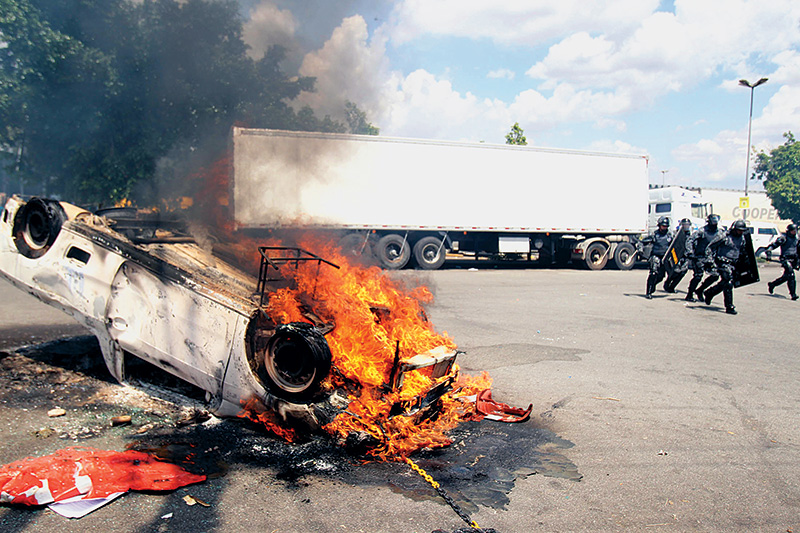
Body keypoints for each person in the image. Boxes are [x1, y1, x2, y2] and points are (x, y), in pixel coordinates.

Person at [702, 219, 748, 314]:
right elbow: (710, 247)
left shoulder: (742, 238)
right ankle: (729, 306)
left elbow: (743, 251)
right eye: (739, 230)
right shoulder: (724, 236)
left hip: (733, 263)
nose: (740, 232)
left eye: (742, 230)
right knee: (728, 282)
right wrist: (710, 261)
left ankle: (710, 293)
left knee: (725, 282)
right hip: (722, 262)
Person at [683, 214, 724, 302]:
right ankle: (689, 294)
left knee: (715, 276)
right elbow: (690, 240)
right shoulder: (702, 231)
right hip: (699, 257)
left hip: (711, 258)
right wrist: (690, 252)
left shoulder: (720, 233)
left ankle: (700, 290)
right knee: (698, 276)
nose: (714, 226)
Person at [640, 216, 673, 299]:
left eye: (666, 226)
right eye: (663, 226)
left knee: (661, 276)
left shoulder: (670, 235)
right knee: (653, 273)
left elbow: (675, 245)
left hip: (665, 258)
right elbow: (642, 242)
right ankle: (649, 292)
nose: (664, 227)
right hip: (655, 256)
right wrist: (640, 250)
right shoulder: (654, 235)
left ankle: (653, 285)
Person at [766, 223, 798, 300]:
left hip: (793, 259)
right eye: (793, 231)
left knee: (786, 277)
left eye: (795, 231)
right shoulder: (784, 238)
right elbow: (774, 245)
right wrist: (769, 250)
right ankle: (793, 294)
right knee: (791, 275)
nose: (794, 232)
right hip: (785, 259)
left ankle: (772, 284)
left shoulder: (796, 239)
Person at [663, 218, 693, 294]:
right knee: (675, 271)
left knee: (683, 272)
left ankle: (672, 286)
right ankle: (668, 282)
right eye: (684, 225)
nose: (686, 227)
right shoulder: (676, 234)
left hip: (685, 256)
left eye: (687, 225)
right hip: (677, 255)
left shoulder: (691, 235)